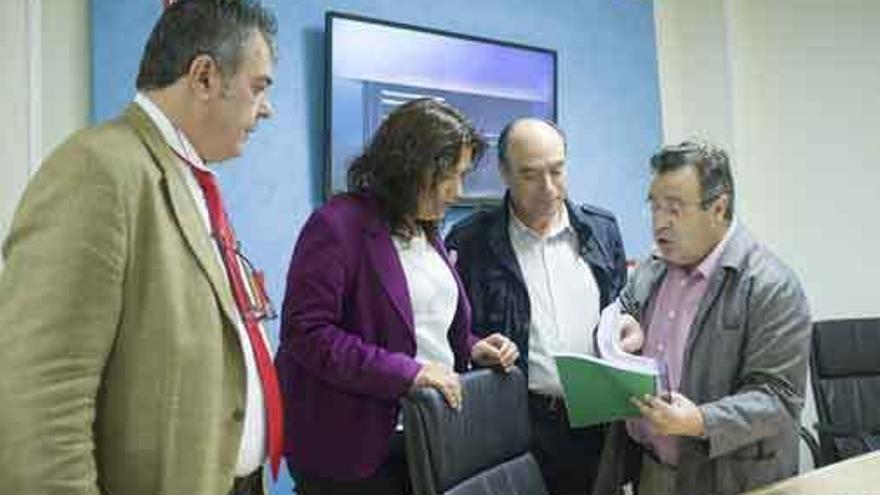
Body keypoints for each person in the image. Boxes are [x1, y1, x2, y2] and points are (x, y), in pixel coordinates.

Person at [0, 1, 280, 494]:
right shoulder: (97, 171)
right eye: (258, 88)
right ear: (204, 77)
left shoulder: (185, 178)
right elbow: (40, 402)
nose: (267, 108)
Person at [276, 98, 519, 495]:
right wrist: (407, 372)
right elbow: (306, 334)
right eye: (449, 176)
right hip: (352, 447)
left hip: (427, 435)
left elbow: (417, 323)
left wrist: (472, 347)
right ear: (412, 168)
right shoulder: (337, 226)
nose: (457, 191)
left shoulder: (425, 229)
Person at [596, 141, 811, 495]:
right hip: (649, 470)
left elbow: (778, 399)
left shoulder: (771, 286)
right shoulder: (653, 266)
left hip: (727, 478)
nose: (659, 222)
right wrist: (626, 318)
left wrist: (699, 421)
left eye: (675, 209)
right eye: (655, 206)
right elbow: (625, 305)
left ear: (718, 208)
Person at [445, 118, 630, 495]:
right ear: (504, 174)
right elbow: (456, 336)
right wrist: (478, 347)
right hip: (517, 424)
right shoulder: (471, 242)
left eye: (557, 171)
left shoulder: (601, 230)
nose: (548, 188)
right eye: (530, 175)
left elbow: (623, 308)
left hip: (597, 423)